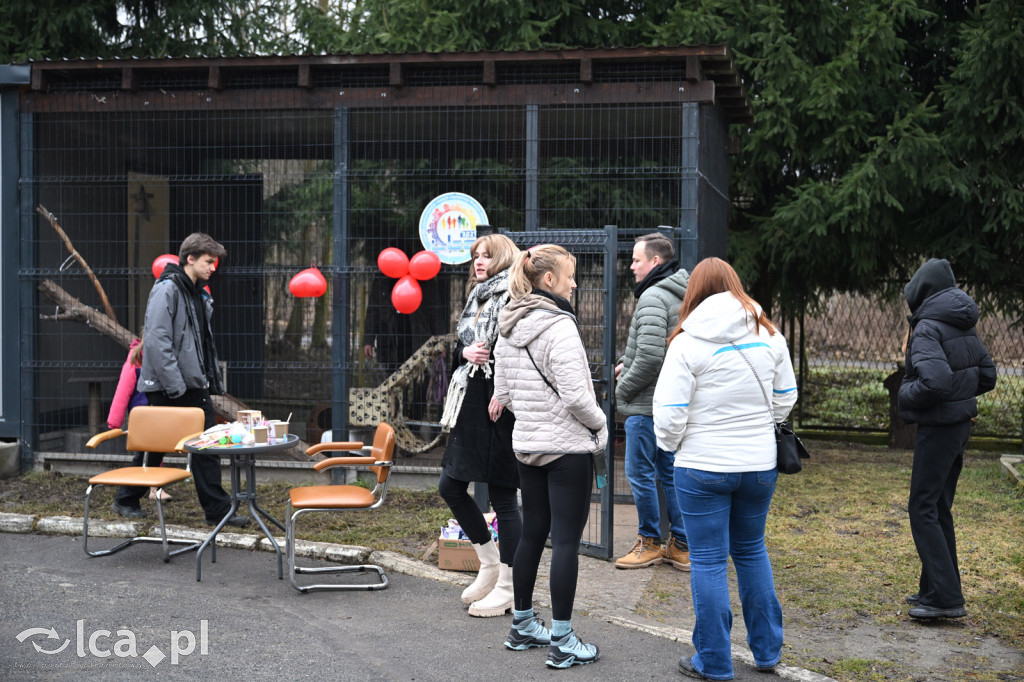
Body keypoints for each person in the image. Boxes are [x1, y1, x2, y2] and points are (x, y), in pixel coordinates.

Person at [653, 257, 797, 679]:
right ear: (736, 286)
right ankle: (768, 652)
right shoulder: (769, 335)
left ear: (692, 292)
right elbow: (785, 398)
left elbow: (670, 414)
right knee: (752, 551)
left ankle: (714, 661)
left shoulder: (686, 341)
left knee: (709, 561)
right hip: (758, 465)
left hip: (701, 466)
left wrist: (675, 446)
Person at [494, 244, 608, 669]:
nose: (575, 283)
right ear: (548, 280)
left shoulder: (508, 325)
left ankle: (522, 625)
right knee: (564, 542)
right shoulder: (560, 327)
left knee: (531, 534)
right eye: (570, 276)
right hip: (566, 449)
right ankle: (562, 640)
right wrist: (600, 423)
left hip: (527, 445)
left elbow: (502, 395)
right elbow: (578, 396)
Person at [112, 233, 249, 528]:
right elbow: (159, 343)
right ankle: (128, 498)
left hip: (190, 383)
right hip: (171, 385)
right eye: (209, 262)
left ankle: (214, 510)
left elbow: (199, 342)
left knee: (201, 447)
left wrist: (205, 379)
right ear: (190, 258)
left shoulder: (195, 291)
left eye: (215, 262)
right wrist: (176, 386)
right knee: (161, 444)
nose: (213, 267)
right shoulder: (168, 289)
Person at [899, 258, 996, 620]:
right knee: (939, 506)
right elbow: (987, 375)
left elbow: (935, 382)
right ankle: (935, 587)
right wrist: (961, 397)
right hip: (960, 425)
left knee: (922, 508)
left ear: (921, 292)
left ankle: (946, 598)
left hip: (939, 427)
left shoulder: (927, 327)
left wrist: (905, 395)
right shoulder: (962, 323)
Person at [437, 233, 522, 618]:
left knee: (504, 495)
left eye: (487, 255)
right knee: (450, 485)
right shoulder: (478, 296)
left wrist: (503, 391)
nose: (479, 261)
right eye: (475, 255)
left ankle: (508, 585)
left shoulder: (513, 295)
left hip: (498, 402)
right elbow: (467, 344)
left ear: (503, 258)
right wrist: (463, 350)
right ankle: (488, 563)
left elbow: (517, 349)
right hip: (472, 396)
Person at [614, 232, 690, 570]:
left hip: (645, 403)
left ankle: (649, 542)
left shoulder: (652, 297)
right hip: (670, 400)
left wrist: (622, 390)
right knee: (669, 473)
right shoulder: (677, 293)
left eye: (636, 259)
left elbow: (649, 356)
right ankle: (681, 544)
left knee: (639, 473)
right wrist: (625, 363)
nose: (631, 266)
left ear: (654, 262)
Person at [106, 332, 170, 502]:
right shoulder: (135, 360)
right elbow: (123, 390)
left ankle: (154, 488)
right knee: (144, 455)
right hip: (141, 416)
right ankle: (148, 488)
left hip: (155, 413)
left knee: (156, 451)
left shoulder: (157, 360)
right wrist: (115, 420)